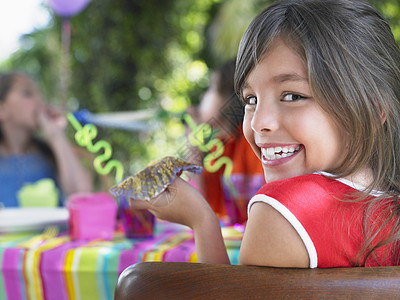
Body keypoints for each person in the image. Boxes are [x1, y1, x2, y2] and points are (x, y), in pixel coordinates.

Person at [131, 0, 400, 268]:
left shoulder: (282, 211)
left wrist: (202, 221)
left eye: (293, 96)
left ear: (374, 111)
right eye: (250, 100)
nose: (259, 122)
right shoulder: (390, 209)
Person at [184, 59, 264, 224]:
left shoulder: (257, 142)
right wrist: (193, 143)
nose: (202, 97)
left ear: (231, 95)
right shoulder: (219, 147)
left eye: (211, 88)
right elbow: (198, 202)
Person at [0, 71, 92, 207]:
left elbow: (82, 194)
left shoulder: (49, 153)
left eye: (40, 94)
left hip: (55, 229)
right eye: (27, 94)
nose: (40, 101)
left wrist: (57, 135)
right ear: (2, 110)